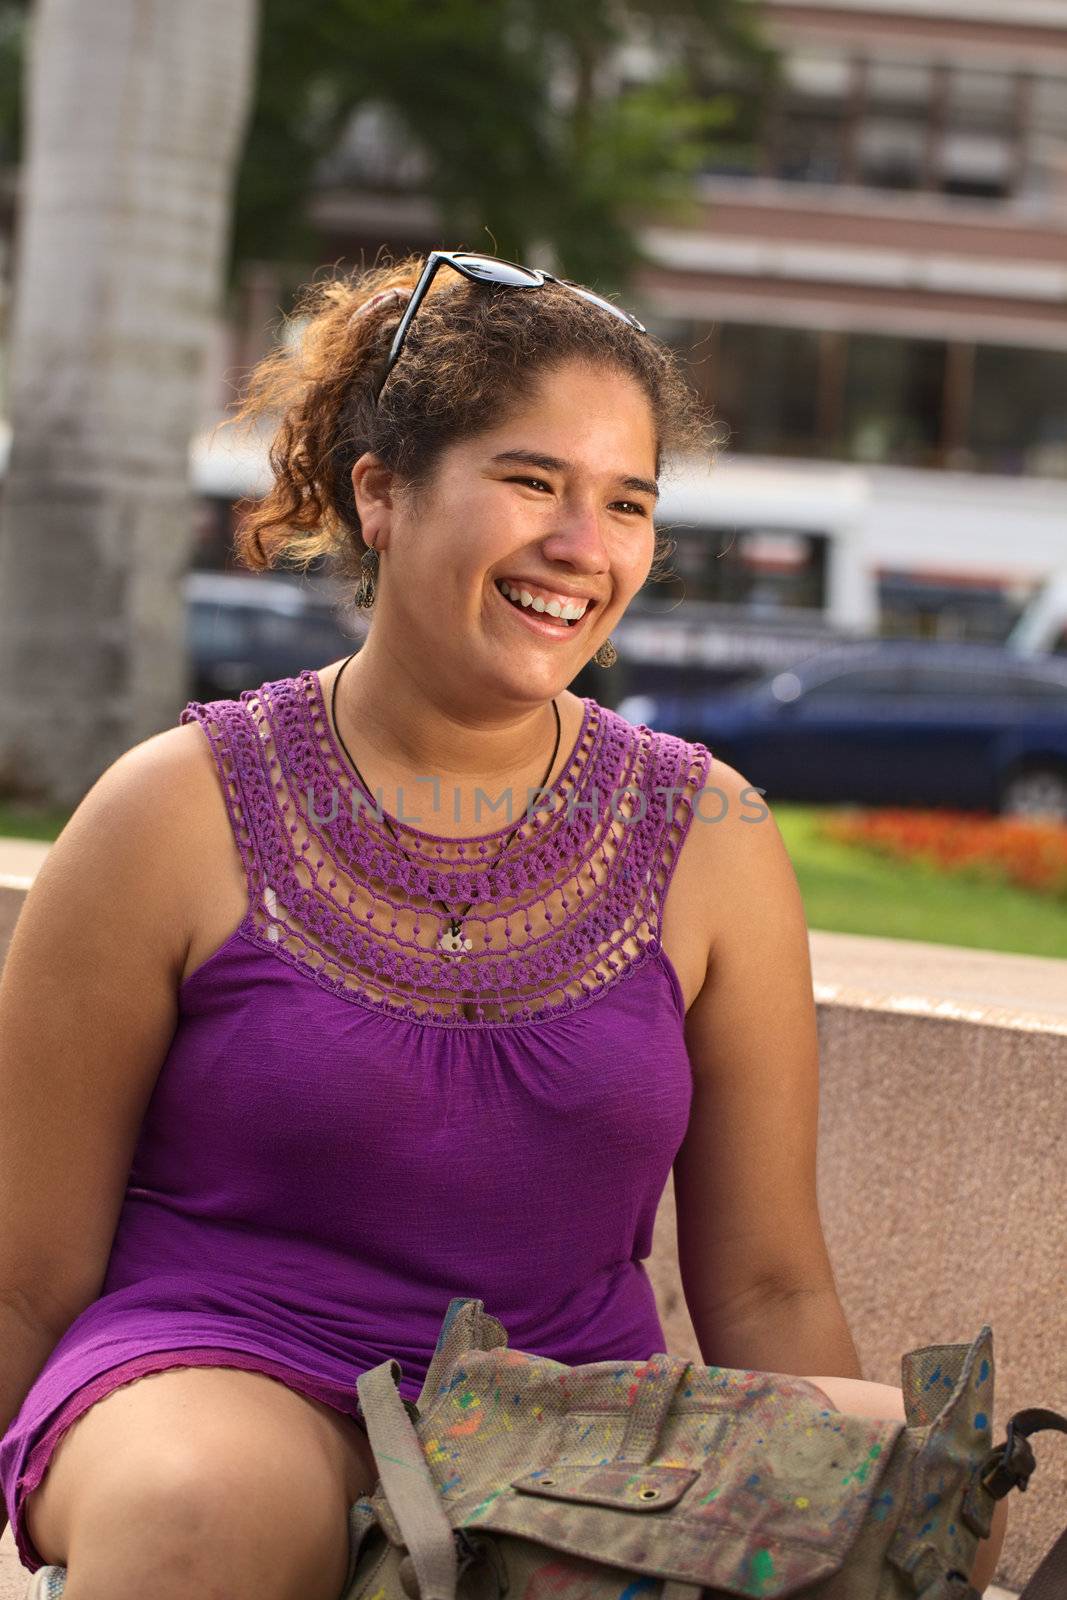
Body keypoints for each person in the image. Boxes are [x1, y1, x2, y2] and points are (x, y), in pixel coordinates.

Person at [0, 250, 1006, 1600]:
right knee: (208, 1507)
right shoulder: (171, 813)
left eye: (626, 503)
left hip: (568, 1422)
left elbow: (764, 1284)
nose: (581, 548)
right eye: (532, 481)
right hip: (221, 1372)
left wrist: (845, 1520)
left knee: (931, 1479)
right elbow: (21, 1272)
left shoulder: (714, 836)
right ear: (382, 495)